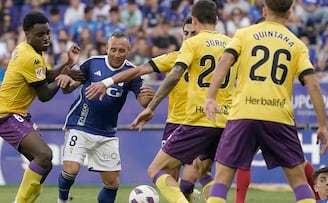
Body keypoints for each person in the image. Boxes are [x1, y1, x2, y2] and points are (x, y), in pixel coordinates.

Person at [204, 0, 328, 202]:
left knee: (222, 178)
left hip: (243, 113)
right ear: (289, 13)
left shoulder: (244, 34)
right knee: (298, 181)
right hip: (278, 116)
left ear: (264, 10)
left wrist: (210, 97)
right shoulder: (297, 44)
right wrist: (323, 125)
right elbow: (313, 85)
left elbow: (225, 61)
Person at [129, 1, 237, 202]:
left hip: (197, 120)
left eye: (191, 29)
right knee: (203, 173)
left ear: (194, 22)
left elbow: (175, 74)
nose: (189, 34)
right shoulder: (233, 44)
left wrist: (151, 107)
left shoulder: (192, 45)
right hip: (224, 121)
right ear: (217, 20)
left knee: (157, 169)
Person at [86, 16, 203, 202]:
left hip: (202, 122)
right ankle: (189, 195)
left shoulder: (215, 59)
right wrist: (110, 83)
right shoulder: (174, 58)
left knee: (192, 177)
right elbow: (139, 71)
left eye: (193, 33)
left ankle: (189, 192)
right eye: (185, 33)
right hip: (175, 123)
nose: (188, 37)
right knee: (171, 177)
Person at [0, 12, 83, 203]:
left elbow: (45, 75)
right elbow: (45, 95)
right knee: (44, 155)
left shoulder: (30, 51)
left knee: (45, 163)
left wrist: (67, 65)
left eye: (48, 33)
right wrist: (63, 77)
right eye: (40, 35)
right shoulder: (29, 57)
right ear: (27, 34)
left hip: (16, 114)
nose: (46, 38)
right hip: (6, 115)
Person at [57, 31, 155, 203]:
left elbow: (143, 100)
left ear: (128, 50)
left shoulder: (133, 72)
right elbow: (69, 88)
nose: (117, 54)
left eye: (121, 51)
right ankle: (62, 200)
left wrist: (148, 98)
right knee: (70, 169)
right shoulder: (92, 64)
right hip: (80, 124)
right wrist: (66, 81)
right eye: (113, 49)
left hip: (106, 132)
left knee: (112, 182)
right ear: (107, 48)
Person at [234, 16, 320, 203]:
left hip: (250, 110)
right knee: (299, 163)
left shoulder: (246, 42)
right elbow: (310, 81)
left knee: (243, 159)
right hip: (277, 113)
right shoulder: (290, 44)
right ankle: (319, 197)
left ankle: (239, 201)